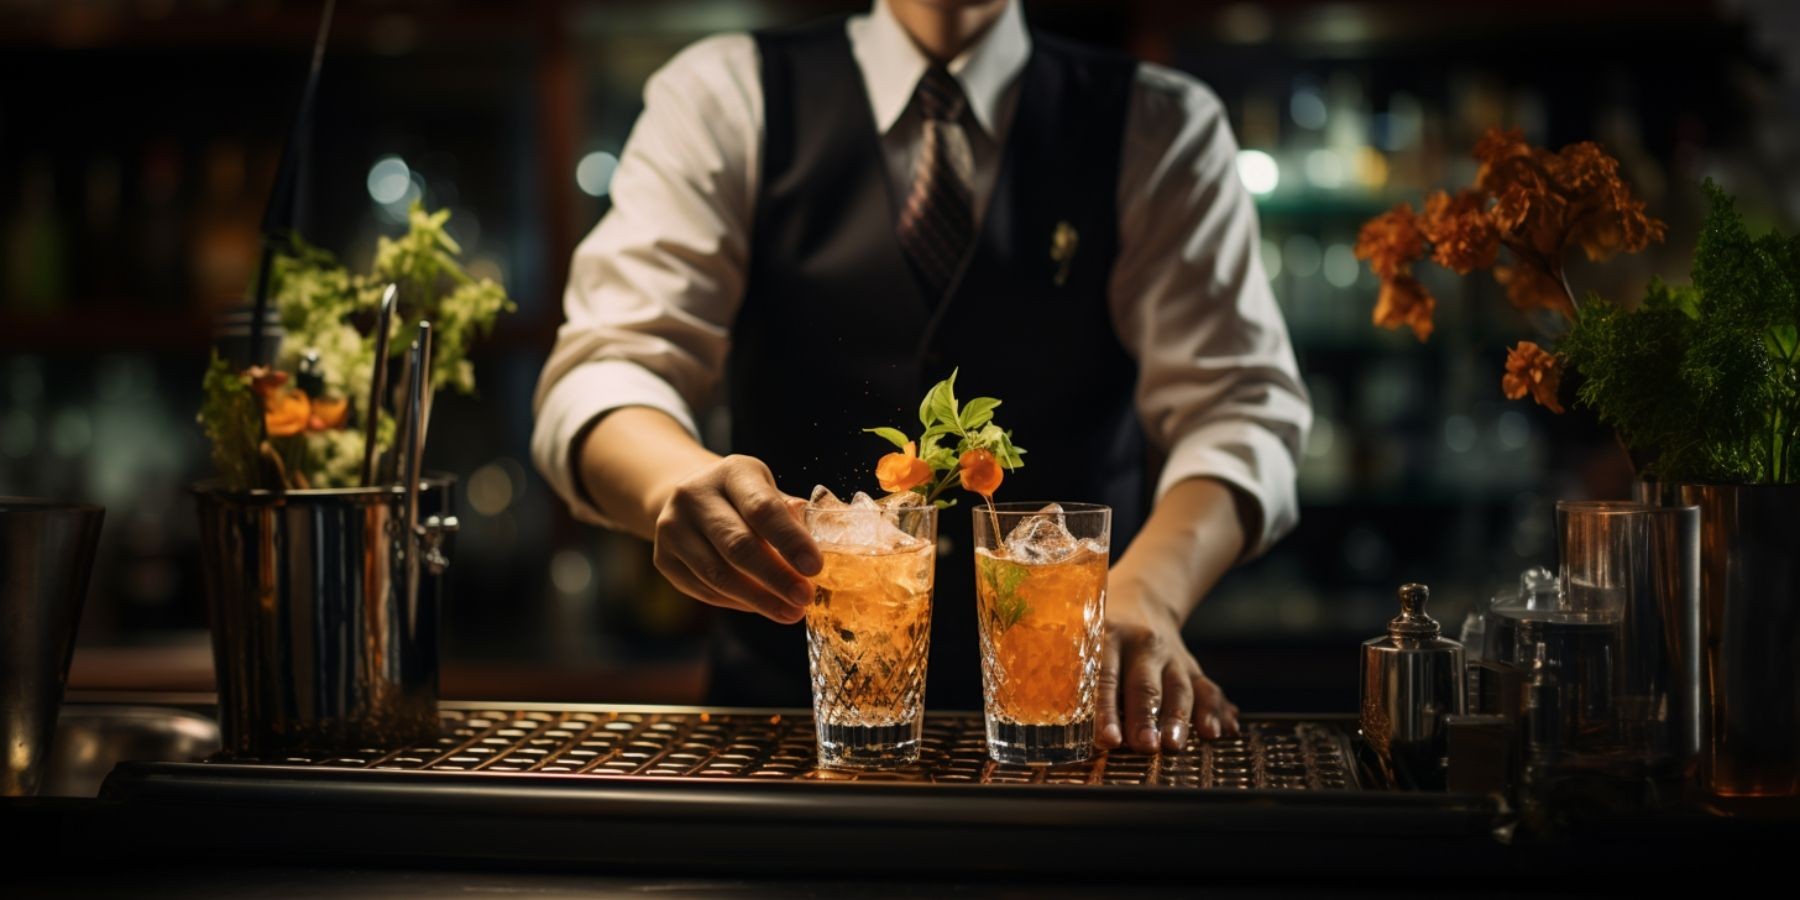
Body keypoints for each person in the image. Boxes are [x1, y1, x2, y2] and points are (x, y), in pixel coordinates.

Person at [532, 0, 1310, 755]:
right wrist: (679, 481)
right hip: (788, 744)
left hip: (1077, 736)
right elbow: (607, 368)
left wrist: (1149, 590)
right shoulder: (724, 94)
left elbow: (1240, 411)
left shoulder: (1157, 122)